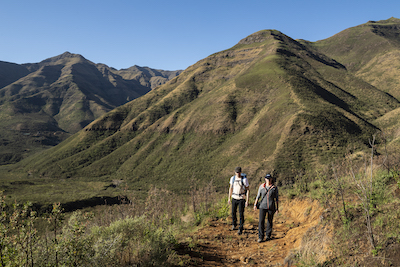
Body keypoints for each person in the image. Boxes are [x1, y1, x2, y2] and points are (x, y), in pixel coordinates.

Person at [253, 174, 279, 243]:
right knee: (261, 221)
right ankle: (260, 237)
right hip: (262, 206)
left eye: (269, 178)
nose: (268, 180)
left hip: (271, 207)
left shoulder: (274, 188)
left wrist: (277, 208)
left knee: (269, 221)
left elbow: (276, 199)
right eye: (267, 178)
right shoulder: (261, 187)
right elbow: (258, 196)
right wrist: (255, 204)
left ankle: (268, 235)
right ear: (265, 179)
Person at [228, 166, 249, 235]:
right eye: (237, 172)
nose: (238, 174)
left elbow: (248, 189)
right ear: (235, 172)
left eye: (239, 172)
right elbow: (230, 188)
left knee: (241, 214)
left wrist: (247, 200)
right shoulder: (232, 179)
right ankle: (234, 224)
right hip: (234, 197)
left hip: (241, 198)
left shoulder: (244, 179)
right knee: (233, 212)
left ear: (241, 172)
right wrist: (229, 198)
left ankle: (240, 228)